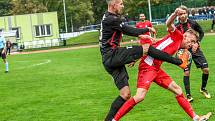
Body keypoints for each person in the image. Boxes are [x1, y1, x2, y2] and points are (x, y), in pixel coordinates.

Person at [112, 7, 212, 121]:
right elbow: (168, 23)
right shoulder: (178, 35)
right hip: (148, 67)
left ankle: (196, 118)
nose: (192, 44)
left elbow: (155, 46)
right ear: (186, 36)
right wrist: (175, 14)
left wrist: (137, 57)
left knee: (178, 90)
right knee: (140, 96)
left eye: (194, 42)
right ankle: (114, 120)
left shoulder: (181, 46)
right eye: (192, 41)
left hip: (156, 68)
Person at [100, 0, 187, 120]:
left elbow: (123, 30)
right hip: (112, 54)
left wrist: (141, 36)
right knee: (147, 48)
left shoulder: (109, 17)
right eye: (121, 4)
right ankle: (177, 61)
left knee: (125, 94)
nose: (123, 6)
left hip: (110, 59)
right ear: (113, 5)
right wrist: (147, 30)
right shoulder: (112, 19)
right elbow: (129, 30)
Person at [175, 5, 211, 102]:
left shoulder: (193, 23)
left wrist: (197, 42)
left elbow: (201, 32)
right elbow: (174, 39)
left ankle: (203, 89)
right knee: (186, 72)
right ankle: (188, 95)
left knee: (206, 69)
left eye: (184, 13)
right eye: (181, 14)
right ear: (178, 15)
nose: (183, 15)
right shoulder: (176, 27)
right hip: (184, 51)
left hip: (196, 49)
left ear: (187, 13)